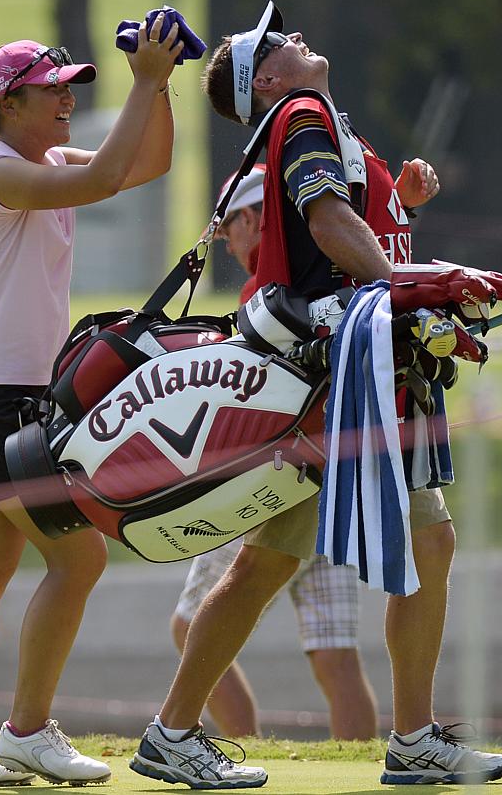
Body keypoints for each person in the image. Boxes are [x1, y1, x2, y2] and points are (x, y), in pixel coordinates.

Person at [129, 2, 502, 788]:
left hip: (366, 375)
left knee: (408, 546)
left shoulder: (321, 117)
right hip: (340, 385)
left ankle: (410, 739)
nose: (298, 37)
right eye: (281, 41)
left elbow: (350, 223)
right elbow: (328, 221)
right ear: (266, 78)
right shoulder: (302, 110)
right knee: (267, 566)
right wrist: (411, 292)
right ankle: (174, 733)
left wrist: (400, 202)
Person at [0, 20, 184, 788]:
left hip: (2, 399)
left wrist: (157, 82)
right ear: (5, 106)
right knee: (80, 555)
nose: (68, 102)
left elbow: (147, 162)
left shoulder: (42, 159)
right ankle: (26, 732)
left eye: (71, 91)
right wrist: (141, 82)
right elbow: (103, 181)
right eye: (52, 92)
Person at [168, 165, 380, 742]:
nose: (229, 245)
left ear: (254, 218)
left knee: (191, 627)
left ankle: (237, 749)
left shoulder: (263, 291)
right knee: (335, 654)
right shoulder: (329, 272)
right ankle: (357, 763)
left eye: (230, 229)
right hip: (337, 481)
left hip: (270, 488)